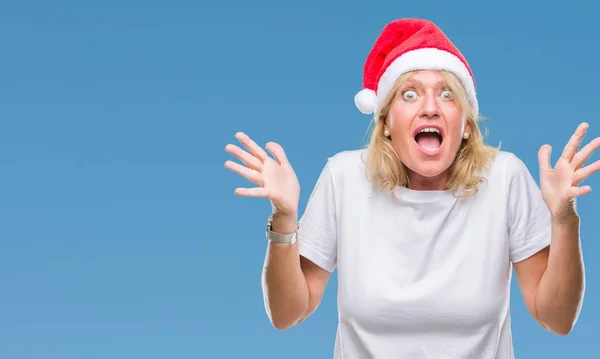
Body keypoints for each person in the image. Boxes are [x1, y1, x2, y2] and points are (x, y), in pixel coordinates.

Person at [224, 18, 599, 358]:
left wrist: (564, 220)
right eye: (410, 93)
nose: (430, 108)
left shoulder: (505, 179)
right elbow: (288, 314)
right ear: (385, 121)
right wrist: (285, 220)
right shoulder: (344, 177)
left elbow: (557, 319)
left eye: (448, 94)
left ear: (466, 124)